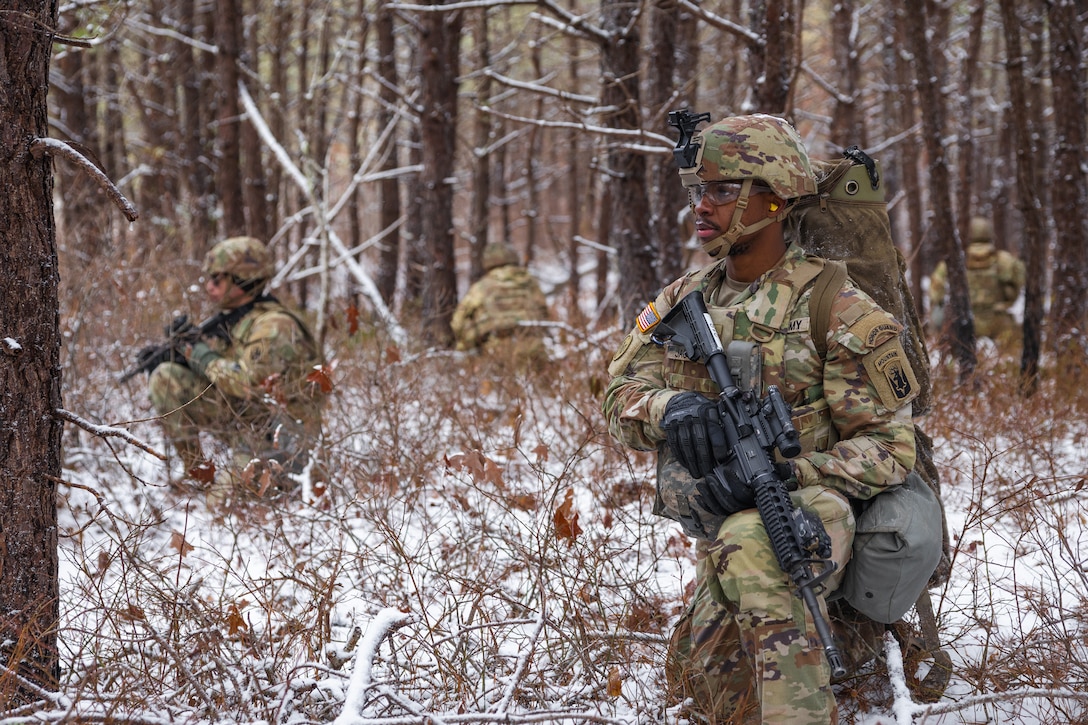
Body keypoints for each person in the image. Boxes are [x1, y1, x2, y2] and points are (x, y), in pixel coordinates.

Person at [602, 114, 921, 723]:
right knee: (703, 684)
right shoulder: (682, 302)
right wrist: (673, 407)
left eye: (725, 191)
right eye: (699, 191)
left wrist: (790, 474)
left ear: (774, 200)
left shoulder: (838, 306)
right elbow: (617, 394)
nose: (703, 206)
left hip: (819, 507)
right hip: (720, 520)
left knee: (755, 544)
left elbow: (889, 447)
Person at [147, 236, 327, 502]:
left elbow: (247, 382)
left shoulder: (274, 325)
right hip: (249, 423)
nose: (209, 286)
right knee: (166, 378)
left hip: (280, 440)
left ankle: (278, 486)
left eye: (218, 279)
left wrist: (200, 355)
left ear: (242, 280)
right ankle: (199, 475)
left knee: (221, 509)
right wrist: (179, 358)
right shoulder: (237, 320)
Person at [929, 216, 1025, 345]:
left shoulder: (954, 260)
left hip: (963, 323)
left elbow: (935, 294)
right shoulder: (1004, 260)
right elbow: (1019, 283)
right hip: (999, 324)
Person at [450, 243, 549, 364]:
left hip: (497, 350)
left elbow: (459, 320)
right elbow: (544, 311)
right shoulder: (530, 283)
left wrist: (467, 342)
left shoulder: (482, 286)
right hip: (534, 346)